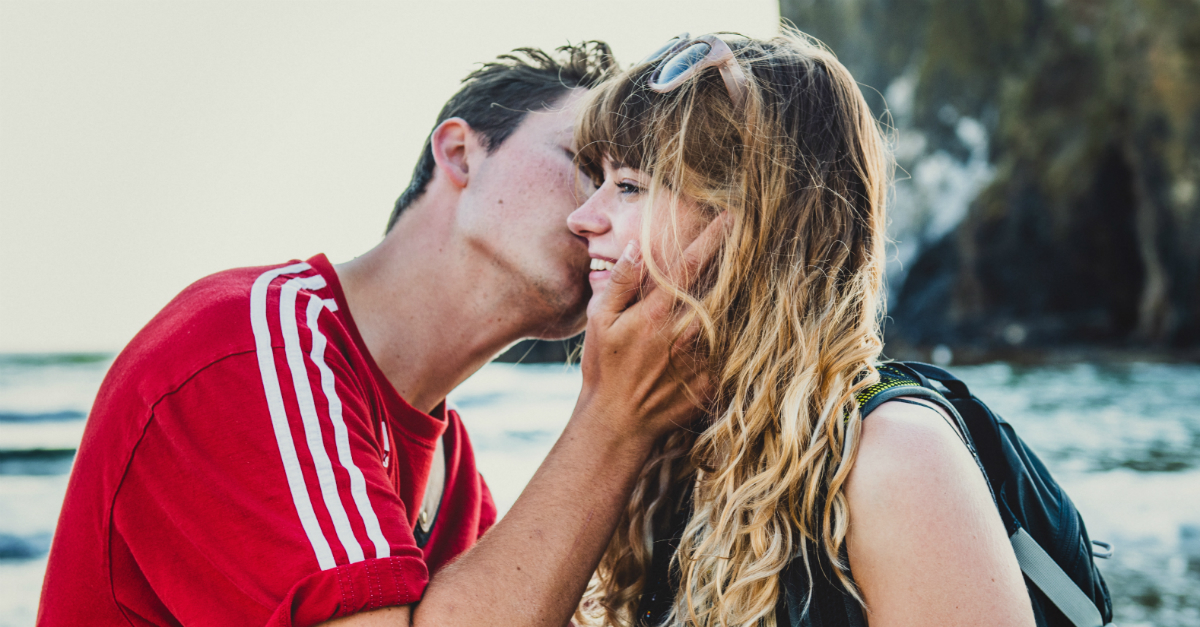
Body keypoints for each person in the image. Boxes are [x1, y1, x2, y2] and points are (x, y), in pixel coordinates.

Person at [38, 42, 716, 627]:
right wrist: (613, 420)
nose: (599, 213)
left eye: (629, 186)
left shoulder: (452, 473)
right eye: (585, 165)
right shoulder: (249, 348)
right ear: (460, 153)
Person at [566, 30, 1037, 626]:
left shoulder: (895, 457)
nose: (582, 218)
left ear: (755, 219)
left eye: (629, 186)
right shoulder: (676, 446)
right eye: (597, 182)